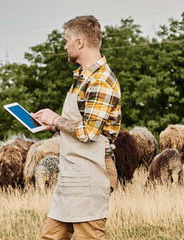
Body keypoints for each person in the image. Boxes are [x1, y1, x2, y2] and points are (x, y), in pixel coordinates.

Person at [32, 15, 121, 240]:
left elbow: (89, 132)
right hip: (72, 172)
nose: (65, 46)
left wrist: (55, 120)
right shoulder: (82, 77)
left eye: (67, 40)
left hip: (92, 172)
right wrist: (53, 126)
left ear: (79, 43)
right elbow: (81, 123)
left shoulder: (101, 80)